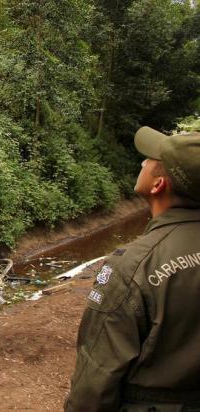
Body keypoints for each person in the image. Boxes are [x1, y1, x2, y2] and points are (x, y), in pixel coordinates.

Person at [65, 126, 200, 412]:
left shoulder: (134, 265)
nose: (142, 162)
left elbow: (95, 383)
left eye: (149, 159)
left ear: (158, 184)